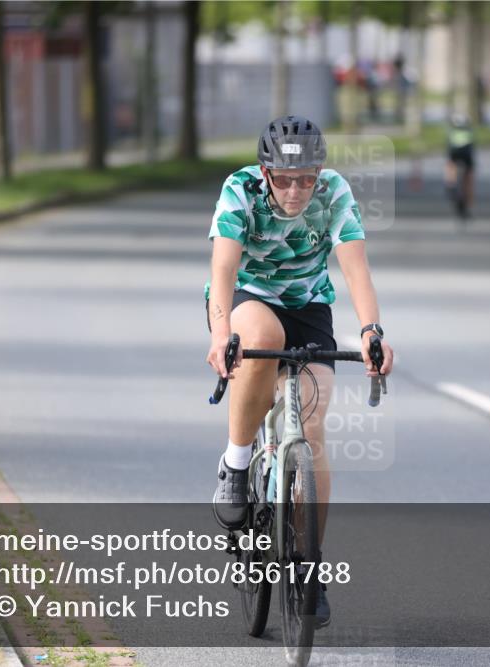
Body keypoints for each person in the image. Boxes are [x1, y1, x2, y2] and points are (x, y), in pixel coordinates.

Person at [205, 115, 395, 627]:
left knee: (311, 431)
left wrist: (372, 331)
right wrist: (221, 335)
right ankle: (236, 464)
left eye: (306, 179)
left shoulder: (334, 193)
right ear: (265, 173)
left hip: (309, 307)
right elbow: (222, 269)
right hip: (246, 300)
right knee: (264, 339)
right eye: (285, 180)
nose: (295, 191)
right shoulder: (239, 190)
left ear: (319, 173)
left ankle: (307, 565)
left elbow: (356, 268)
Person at [444, 113, 475, 221]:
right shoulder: (469, 130)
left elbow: (448, 146)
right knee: (469, 178)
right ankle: (469, 204)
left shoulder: (452, 130)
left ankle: (450, 183)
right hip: (467, 155)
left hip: (454, 153)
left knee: (450, 164)